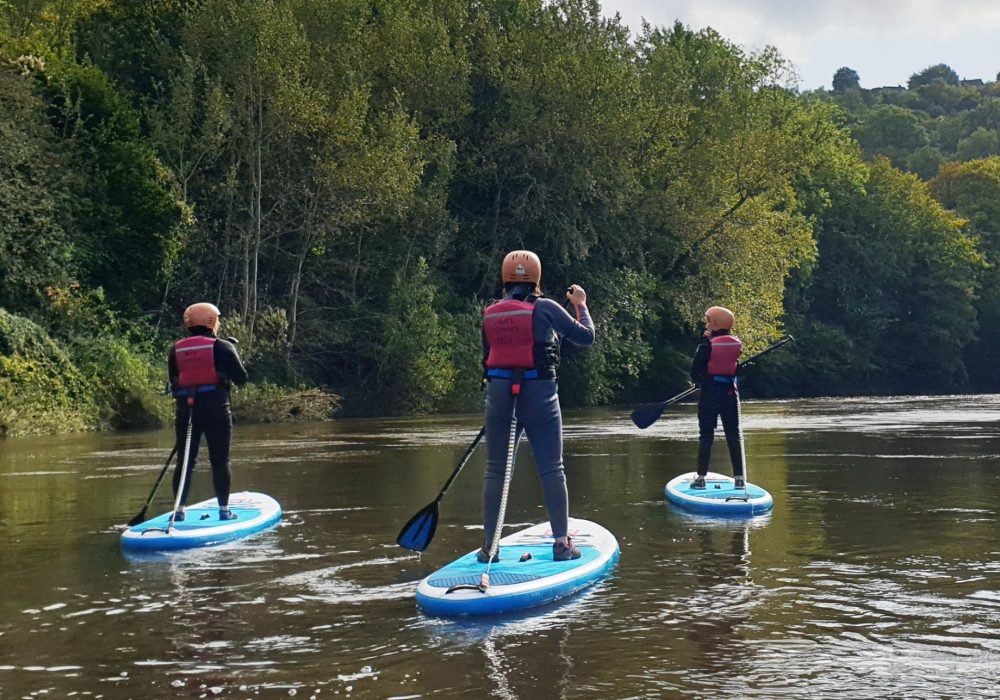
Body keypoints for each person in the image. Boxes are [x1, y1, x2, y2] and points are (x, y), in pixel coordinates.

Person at [479, 250, 595, 563]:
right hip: (540, 395)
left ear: (505, 278)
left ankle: (489, 546)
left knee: (496, 471)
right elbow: (586, 337)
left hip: (500, 396)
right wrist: (580, 304)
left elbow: (487, 356)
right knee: (552, 469)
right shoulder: (545, 307)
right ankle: (562, 544)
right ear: (537, 278)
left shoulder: (489, 311)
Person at [168, 302, 248, 521]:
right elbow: (242, 379)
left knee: (185, 461)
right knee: (220, 460)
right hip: (217, 412)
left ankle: (179, 511)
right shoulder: (223, 346)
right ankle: (224, 511)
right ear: (211, 321)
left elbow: (174, 381)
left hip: (187, 412)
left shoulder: (176, 349)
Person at [689, 306, 745, 489]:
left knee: (706, 436)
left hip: (710, 394)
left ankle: (701, 478)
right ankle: (739, 479)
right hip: (730, 394)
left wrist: (699, 381)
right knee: (733, 435)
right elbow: (736, 369)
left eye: (707, 321)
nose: (705, 324)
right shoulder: (737, 344)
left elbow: (694, 372)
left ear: (715, 323)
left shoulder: (706, 344)